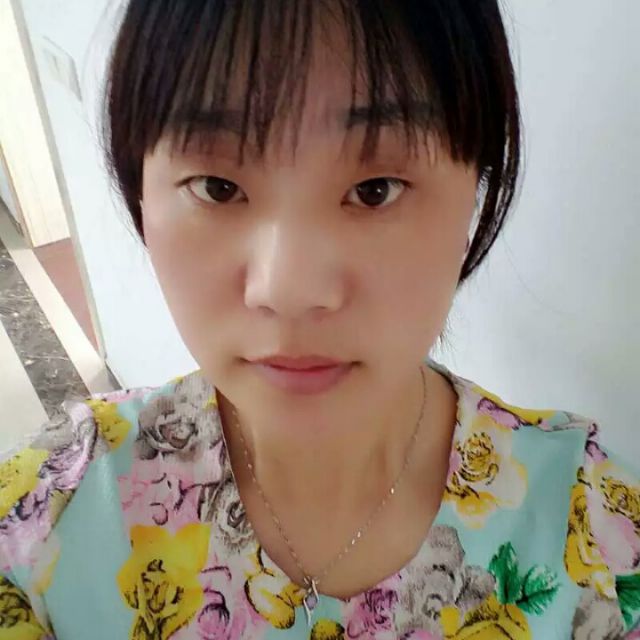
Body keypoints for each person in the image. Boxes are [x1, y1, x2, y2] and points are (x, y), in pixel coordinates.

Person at [1, 1, 638, 638]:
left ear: (476, 187)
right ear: (140, 190)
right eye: (218, 187)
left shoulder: (594, 540)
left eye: (375, 189)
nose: (288, 292)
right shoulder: (48, 522)